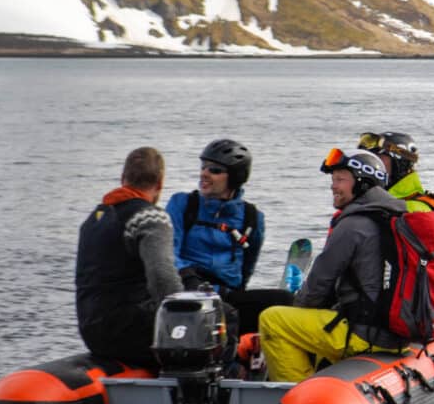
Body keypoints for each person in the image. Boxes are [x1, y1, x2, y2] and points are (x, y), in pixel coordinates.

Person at [257, 148, 408, 382]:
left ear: (363, 184)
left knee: (273, 320)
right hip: (389, 333)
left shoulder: (352, 225)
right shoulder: (392, 217)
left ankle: (297, 396)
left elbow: (317, 286)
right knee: (317, 322)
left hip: (363, 334)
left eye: (341, 179)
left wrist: (295, 309)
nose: (333, 186)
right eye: (333, 179)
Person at [75, 146, 182, 368]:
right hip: (132, 330)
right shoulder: (149, 217)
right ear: (160, 183)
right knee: (223, 317)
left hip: (92, 332)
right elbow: (162, 277)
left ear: (123, 178)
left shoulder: (94, 219)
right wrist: (184, 320)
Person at [167, 139, 286, 336]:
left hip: (226, 297)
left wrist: (231, 291)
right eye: (203, 167)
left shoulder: (252, 217)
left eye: (214, 170)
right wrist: (190, 279)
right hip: (189, 293)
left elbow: (247, 266)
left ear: (234, 177)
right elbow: (170, 251)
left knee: (284, 301)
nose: (204, 173)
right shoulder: (183, 204)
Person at [357, 131, 431, 212]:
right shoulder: (363, 200)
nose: (370, 164)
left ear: (400, 163)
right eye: (368, 158)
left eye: (378, 158)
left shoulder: (414, 209)